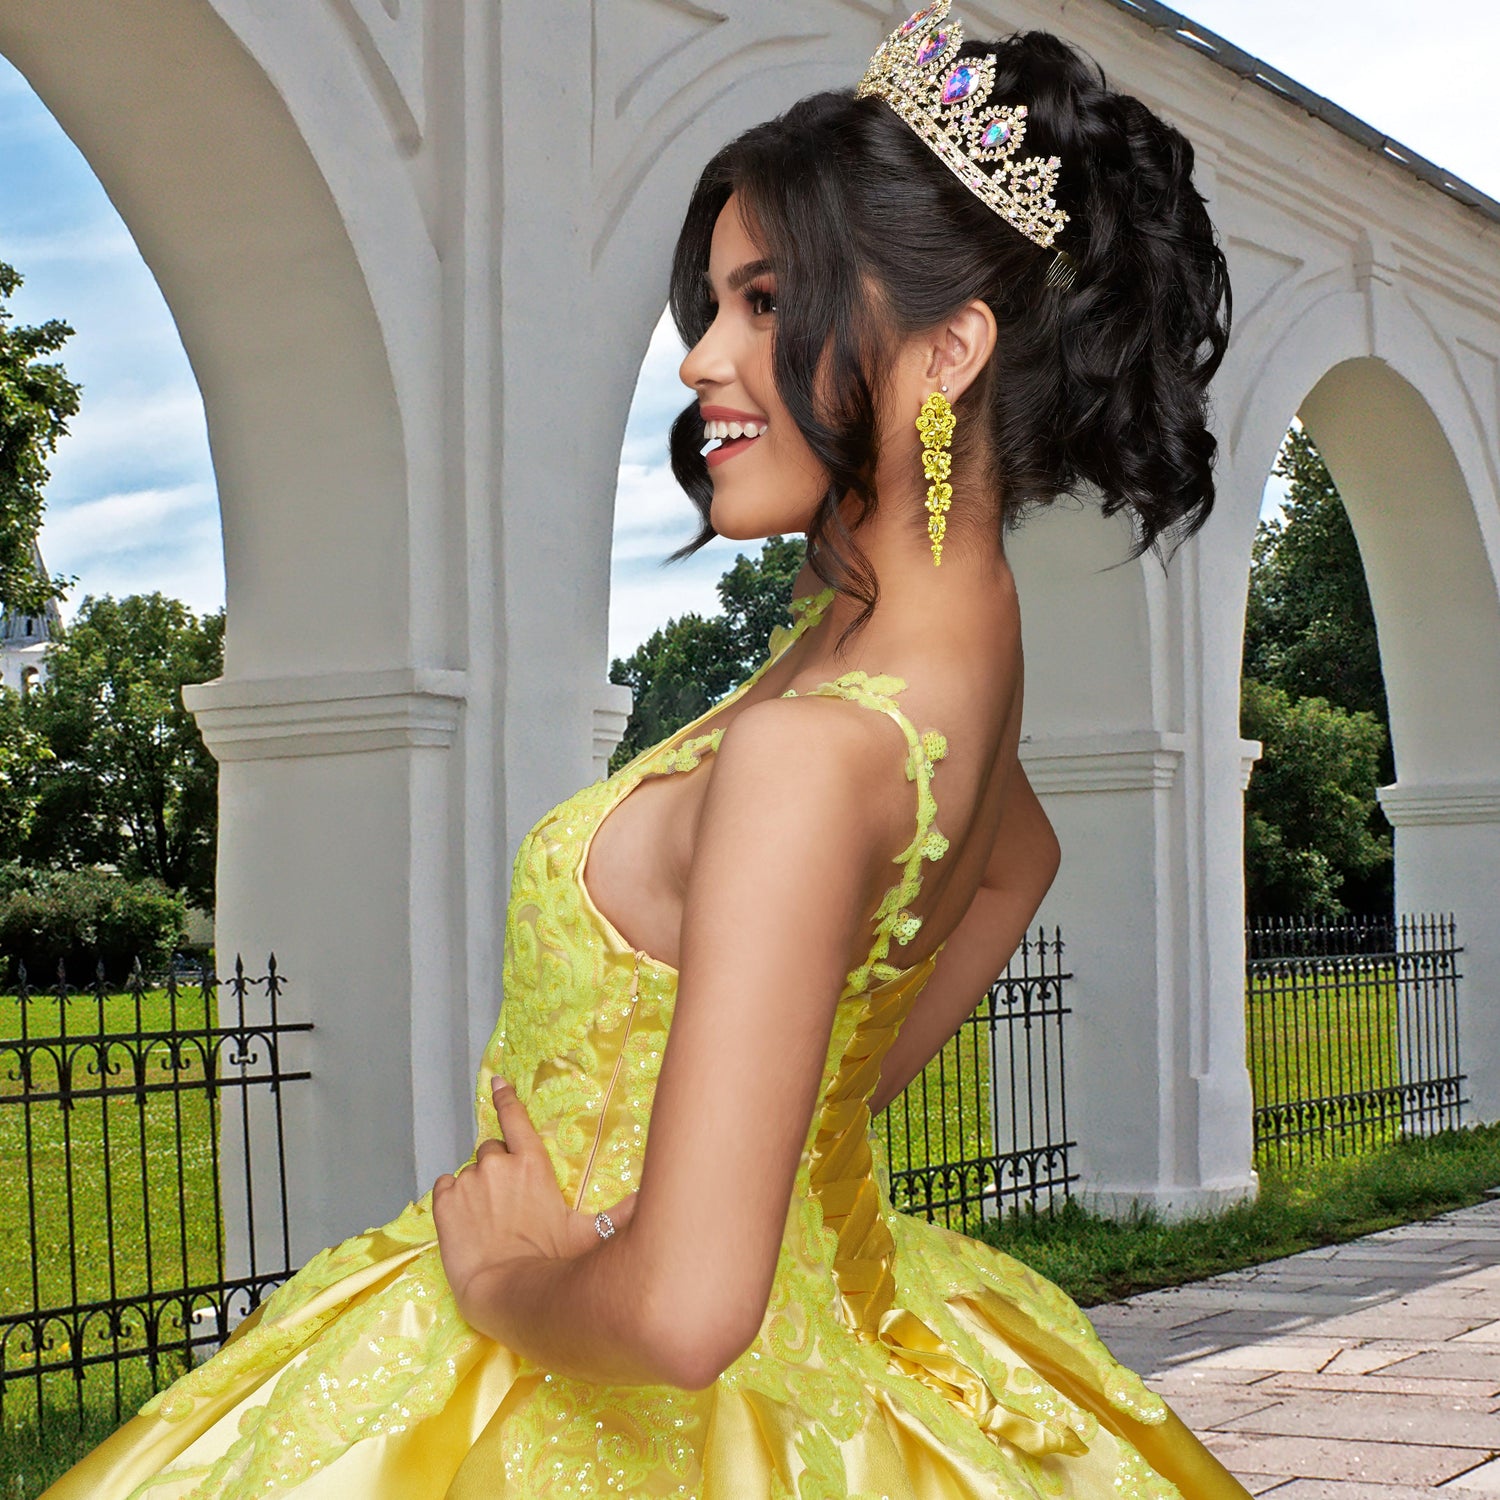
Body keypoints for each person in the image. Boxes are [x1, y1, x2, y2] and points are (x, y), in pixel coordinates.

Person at [45, 5, 1248, 1496]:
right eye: (715, 306)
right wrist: (787, 1120)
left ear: (949, 349)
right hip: (842, 1328)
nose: (704, 362)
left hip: (621, 1391)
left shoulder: (818, 744)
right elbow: (1015, 858)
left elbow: (685, 1316)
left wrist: (508, 1284)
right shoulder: (944, 640)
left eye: (763, 303)